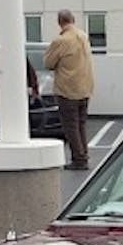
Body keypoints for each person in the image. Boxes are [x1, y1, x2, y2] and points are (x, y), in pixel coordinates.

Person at [43, 9, 96, 170]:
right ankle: (83, 154)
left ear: (60, 22)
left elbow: (48, 63)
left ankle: (79, 159)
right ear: (73, 20)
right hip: (86, 86)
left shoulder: (61, 41)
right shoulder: (83, 36)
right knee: (81, 123)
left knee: (71, 125)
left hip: (68, 88)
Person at [0, 31, 39, 142]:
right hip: (17, 93)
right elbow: (30, 71)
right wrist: (34, 89)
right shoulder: (16, 48)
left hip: (1, 93)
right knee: (20, 124)